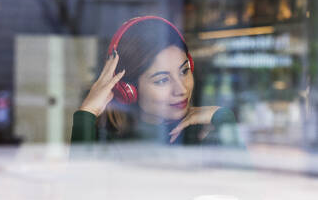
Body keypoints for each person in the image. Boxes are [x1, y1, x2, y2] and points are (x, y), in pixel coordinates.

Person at [71, 16, 242, 147]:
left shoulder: (205, 134)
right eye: (162, 80)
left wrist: (222, 118)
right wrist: (87, 112)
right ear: (128, 90)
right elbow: (78, 190)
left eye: (184, 71)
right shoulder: (109, 144)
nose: (181, 89)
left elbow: (245, 187)